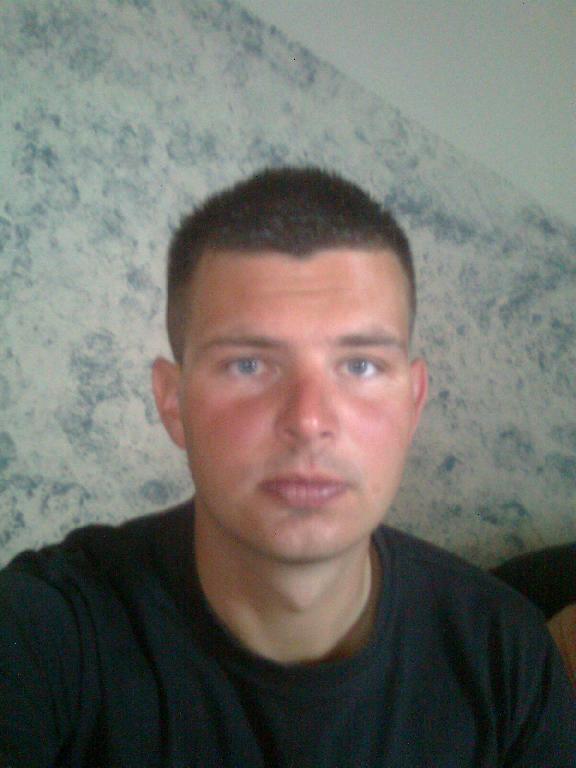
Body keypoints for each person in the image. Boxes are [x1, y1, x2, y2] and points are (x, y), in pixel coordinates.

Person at [0, 167, 574, 767]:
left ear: (412, 402)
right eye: (248, 364)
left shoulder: (506, 655)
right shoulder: (44, 635)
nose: (308, 419)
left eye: (360, 365)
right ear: (173, 403)